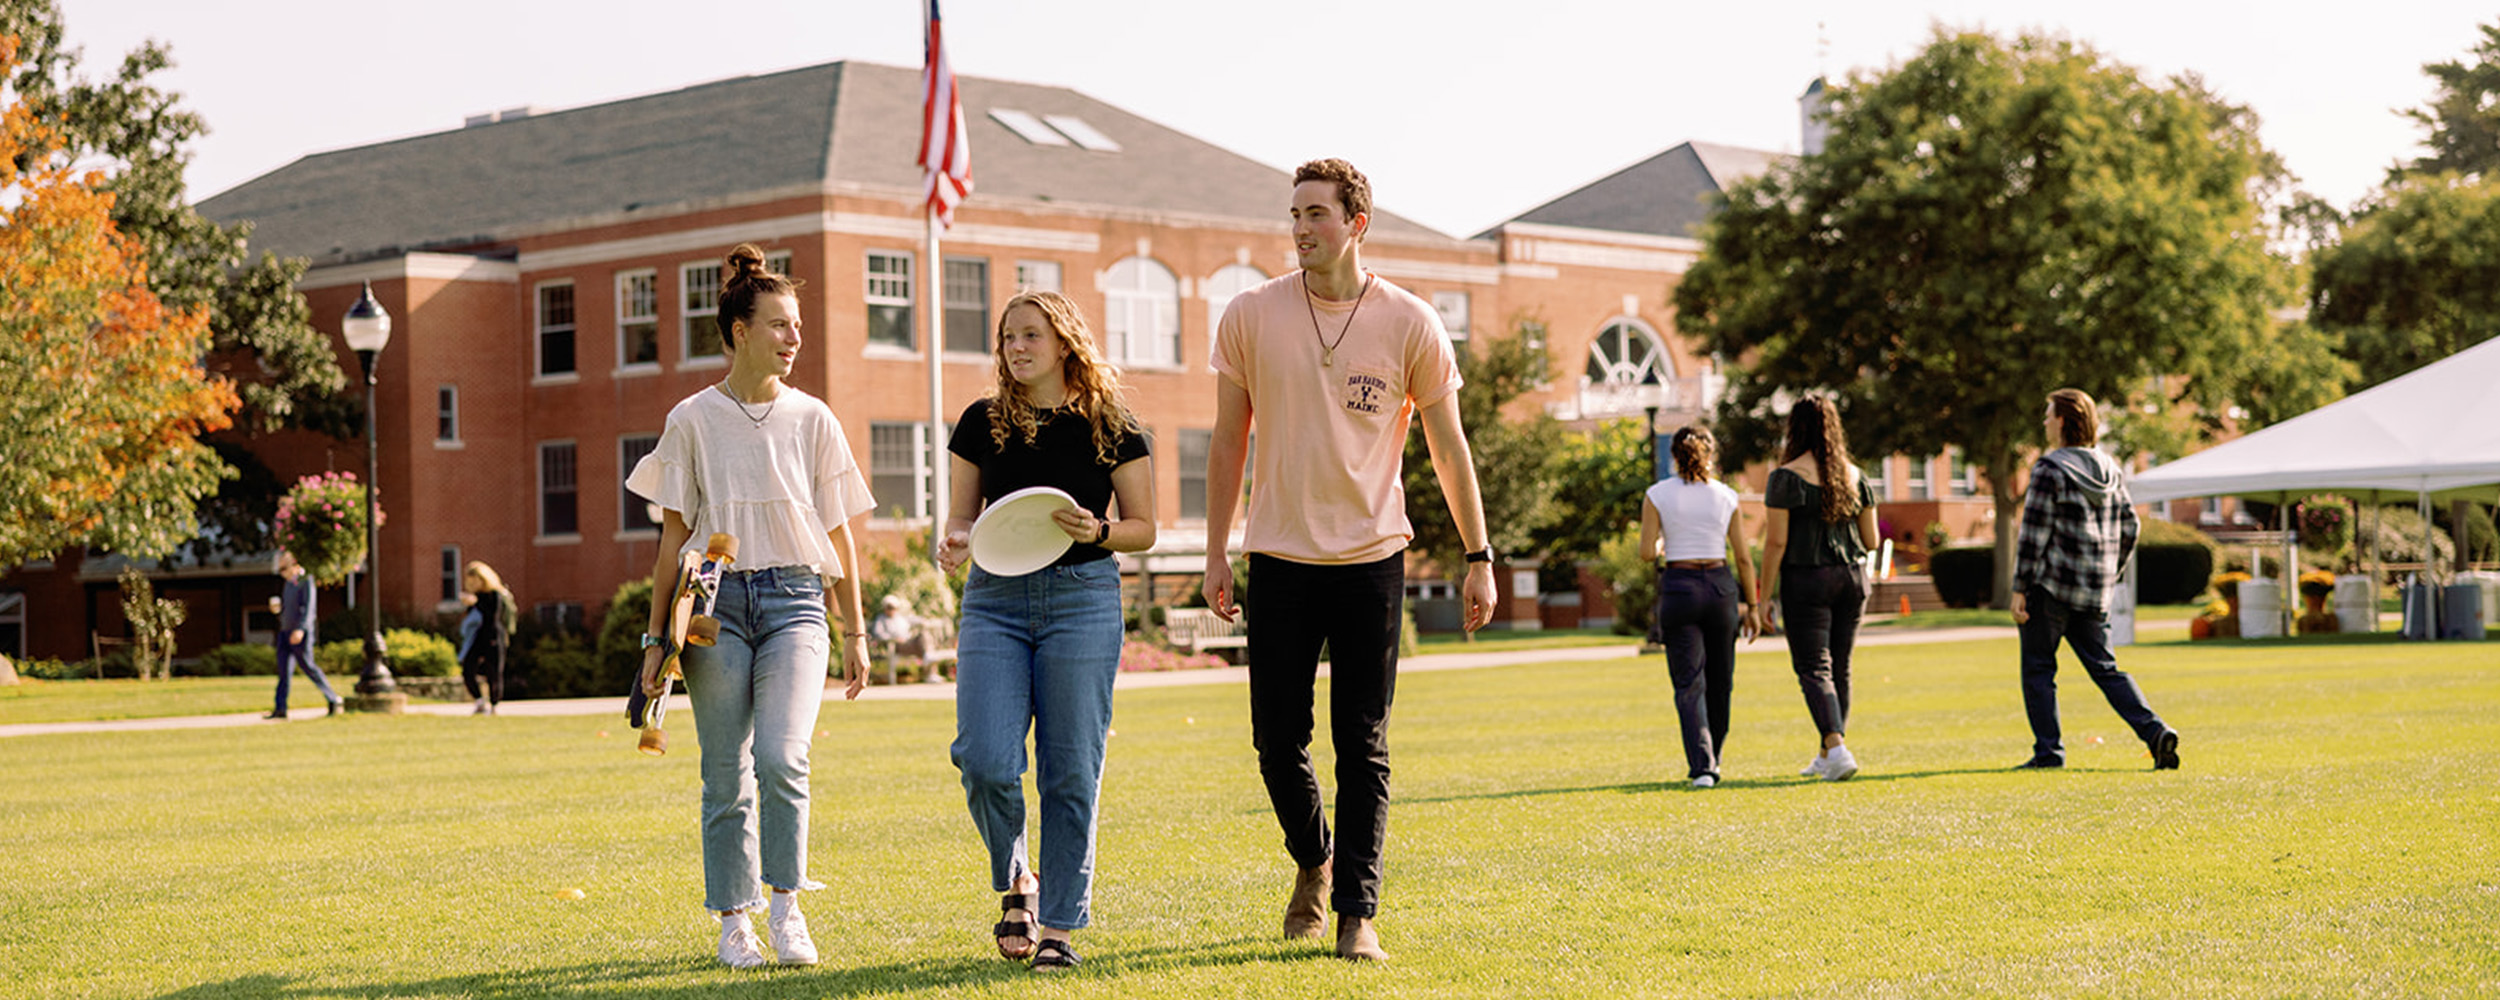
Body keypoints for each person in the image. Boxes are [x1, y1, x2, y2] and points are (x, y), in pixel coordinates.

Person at [1203, 158, 1497, 963]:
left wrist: (1479, 554)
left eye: (1317, 215)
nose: (1301, 229)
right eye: (1294, 214)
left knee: (1362, 741)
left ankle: (1357, 914)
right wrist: (1217, 550)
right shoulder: (1251, 314)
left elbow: (1447, 446)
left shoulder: (1410, 322)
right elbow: (1228, 441)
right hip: (1280, 556)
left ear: (1356, 223)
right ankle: (1314, 860)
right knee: (1275, 738)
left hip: (1372, 557)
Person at [624, 243, 874, 969]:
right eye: (780, 325)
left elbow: (840, 536)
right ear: (739, 331)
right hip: (714, 607)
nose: (795, 338)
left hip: (798, 599)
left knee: (781, 756)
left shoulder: (814, 418)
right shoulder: (693, 419)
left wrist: (854, 628)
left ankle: (788, 907)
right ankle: (736, 920)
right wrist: (653, 641)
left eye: (796, 325)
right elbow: (673, 538)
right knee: (724, 771)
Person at [935, 289, 1155, 973]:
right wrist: (953, 542)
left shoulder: (1111, 423)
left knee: (1070, 772)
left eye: (1031, 335)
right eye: (1008, 338)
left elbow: (1145, 529)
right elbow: (961, 520)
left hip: (1081, 597)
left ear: (1065, 342)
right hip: (994, 601)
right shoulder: (982, 423)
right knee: (984, 757)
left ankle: (1058, 925)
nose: (1018, 348)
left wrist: (1102, 530)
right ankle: (1017, 877)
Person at [2011, 389, 2181, 771]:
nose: (2043, 422)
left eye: (2048, 415)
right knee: (2106, 670)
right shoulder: (2110, 468)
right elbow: (2130, 527)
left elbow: (2033, 533)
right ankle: (2155, 732)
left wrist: (2019, 588)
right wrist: (2109, 573)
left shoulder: (2049, 468)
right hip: (2093, 592)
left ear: (2063, 422)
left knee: (2039, 669)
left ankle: (2048, 753)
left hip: (2050, 588)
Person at [1754, 396, 1878, 782]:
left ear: (1796, 428)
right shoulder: (1856, 475)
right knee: (1839, 667)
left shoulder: (1786, 477)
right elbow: (1871, 539)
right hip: (1853, 578)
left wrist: (1763, 599)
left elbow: (1775, 543)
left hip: (1807, 578)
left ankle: (1837, 748)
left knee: (1813, 667)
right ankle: (1828, 752)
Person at [1639, 425, 1758, 789]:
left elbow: (1646, 553)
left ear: (1674, 456)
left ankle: (1703, 767)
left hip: (1680, 587)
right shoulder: (1726, 496)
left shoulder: (1657, 495)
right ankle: (1714, 758)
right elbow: (1743, 556)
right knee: (1721, 681)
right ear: (1711, 454)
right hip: (1721, 586)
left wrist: (1661, 543)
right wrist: (1752, 605)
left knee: (1689, 682)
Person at [267, 549, 341, 719]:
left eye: (283, 569)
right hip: (285, 633)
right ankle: (280, 708)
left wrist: (300, 629)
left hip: (300, 634)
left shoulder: (305, 581)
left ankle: (333, 698)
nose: (281, 573)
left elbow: (309, 610)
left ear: (294, 565)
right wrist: (278, 612)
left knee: (309, 667)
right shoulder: (287, 585)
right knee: (283, 671)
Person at [456, 561, 514, 715]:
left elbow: (491, 617)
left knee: (493, 672)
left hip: (493, 637)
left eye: (475, 580)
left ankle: (494, 705)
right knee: (468, 668)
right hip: (476, 638)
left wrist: (475, 602)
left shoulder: (495, 595)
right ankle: (480, 701)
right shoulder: (475, 597)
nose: (472, 584)